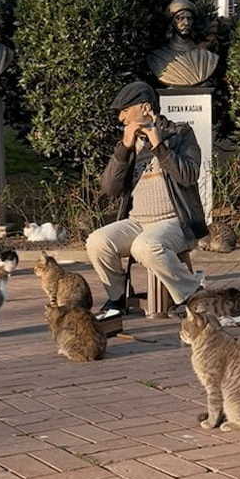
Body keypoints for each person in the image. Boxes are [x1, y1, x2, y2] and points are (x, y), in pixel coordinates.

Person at [86, 80, 207, 318]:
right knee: (97, 241)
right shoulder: (130, 145)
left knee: (146, 246)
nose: (121, 118)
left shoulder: (181, 133)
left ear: (143, 107)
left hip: (177, 220)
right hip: (138, 222)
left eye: (124, 110)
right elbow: (109, 188)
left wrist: (158, 144)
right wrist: (124, 149)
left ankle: (194, 294)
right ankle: (116, 298)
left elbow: (188, 176)